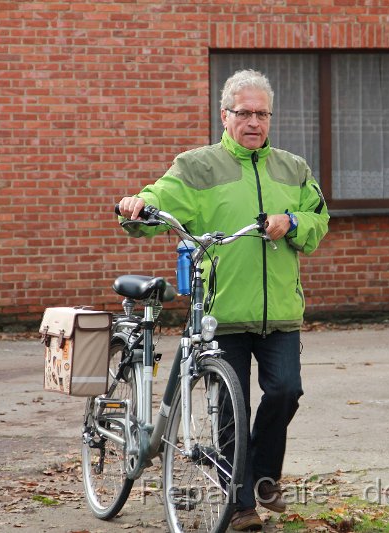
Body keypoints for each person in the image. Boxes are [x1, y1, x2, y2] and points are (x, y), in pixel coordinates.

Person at [118, 69, 329, 531]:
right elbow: (160, 201)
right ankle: (241, 507)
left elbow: (319, 221)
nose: (253, 121)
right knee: (231, 412)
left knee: (286, 391)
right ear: (224, 116)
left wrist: (293, 223)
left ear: (270, 118)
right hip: (221, 313)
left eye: (261, 113)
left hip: (281, 315)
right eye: (244, 113)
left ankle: (262, 476)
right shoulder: (198, 166)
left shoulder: (293, 168)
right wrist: (137, 205)